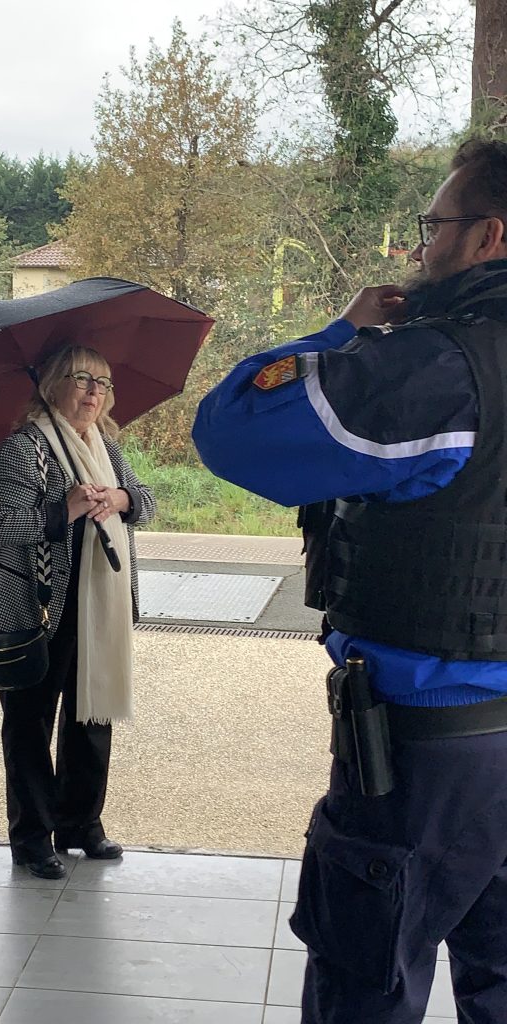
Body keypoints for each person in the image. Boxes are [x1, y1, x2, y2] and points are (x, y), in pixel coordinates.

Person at [192, 138, 507, 1023]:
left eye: (434, 225)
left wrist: (342, 330)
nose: (420, 246)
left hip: (427, 750)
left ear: (490, 236)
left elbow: (232, 429)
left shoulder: (437, 371)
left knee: (364, 983)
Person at [0, 345, 156, 880]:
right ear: (52, 384)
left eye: (102, 383)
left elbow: (146, 502)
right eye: (81, 379)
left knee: (91, 715)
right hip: (37, 609)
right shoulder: (24, 447)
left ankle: (81, 825)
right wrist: (68, 509)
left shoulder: (104, 445)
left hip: (98, 606)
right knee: (30, 725)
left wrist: (121, 499)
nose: (93, 392)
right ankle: (32, 838)